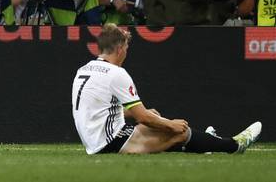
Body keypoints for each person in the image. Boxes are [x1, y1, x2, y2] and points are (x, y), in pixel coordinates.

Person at [72, 23, 262, 155]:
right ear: (120, 48)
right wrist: (171, 124)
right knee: (179, 132)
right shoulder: (116, 73)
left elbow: (95, 109)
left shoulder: (84, 69)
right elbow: (143, 118)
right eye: (127, 48)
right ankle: (234, 145)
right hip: (109, 142)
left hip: (92, 140)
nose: (126, 53)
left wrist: (132, 113)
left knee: (159, 131)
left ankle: (206, 142)